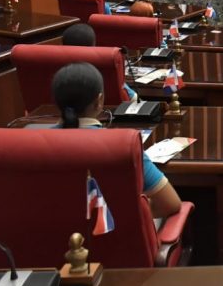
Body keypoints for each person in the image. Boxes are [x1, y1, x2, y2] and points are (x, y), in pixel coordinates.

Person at [52, 63, 181, 218]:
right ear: (99, 101)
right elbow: (170, 204)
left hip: (53, 238)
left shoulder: (29, 145)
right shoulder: (124, 146)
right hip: (120, 237)